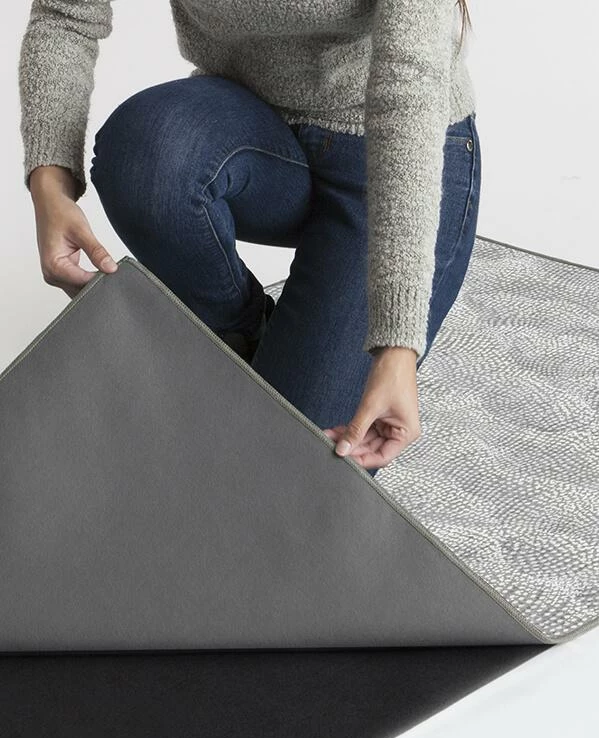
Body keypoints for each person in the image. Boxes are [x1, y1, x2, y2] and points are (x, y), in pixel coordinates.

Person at [18, 0, 481, 478]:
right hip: (254, 130)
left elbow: (408, 82)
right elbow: (66, 15)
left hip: (398, 153)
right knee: (147, 153)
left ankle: (285, 367)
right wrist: (49, 187)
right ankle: (245, 334)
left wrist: (397, 343)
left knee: (282, 471)